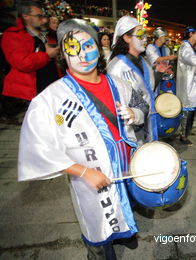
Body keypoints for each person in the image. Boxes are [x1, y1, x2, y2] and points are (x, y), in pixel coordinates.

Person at [18, 18, 147, 259]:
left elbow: (143, 110)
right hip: (90, 175)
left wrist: (134, 114)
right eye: (72, 49)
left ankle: (126, 233)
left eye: (87, 45)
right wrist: (84, 172)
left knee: (125, 204)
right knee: (97, 221)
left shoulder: (119, 83)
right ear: (63, 55)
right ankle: (98, 253)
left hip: (125, 163)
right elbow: (38, 149)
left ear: (98, 47)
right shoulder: (51, 99)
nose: (82, 55)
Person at [108, 16, 169, 144]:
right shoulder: (116, 67)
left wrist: (158, 74)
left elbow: (148, 90)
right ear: (126, 37)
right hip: (130, 128)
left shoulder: (144, 62)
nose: (145, 39)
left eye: (145, 35)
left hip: (147, 122)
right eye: (140, 35)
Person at [1, 0, 60, 101]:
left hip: (47, 92)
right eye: (38, 16)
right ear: (25, 16)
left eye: (43, 16)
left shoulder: (42, 34)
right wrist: (47, 55)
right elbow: (23, 63)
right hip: (25, 96)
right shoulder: (13, 35)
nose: (44, 20)